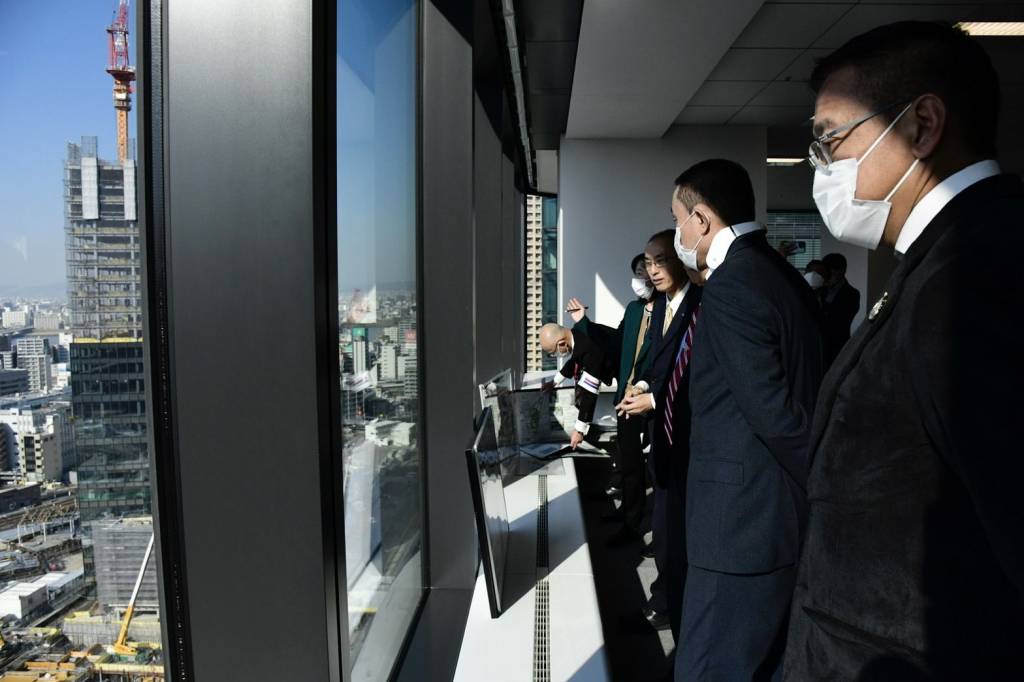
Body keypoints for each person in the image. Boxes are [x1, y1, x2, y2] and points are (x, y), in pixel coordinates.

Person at [785, 21, 1024, 680]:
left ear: (922, 125)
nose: (821, 167)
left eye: (830, 140)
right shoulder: (936, 262)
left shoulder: (980, 271)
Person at [670, 159, 822, 681]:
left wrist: (823, 482)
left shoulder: (732, 283)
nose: (678, 234)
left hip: (738, 527)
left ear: (702, 220)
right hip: (777, 519)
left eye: (677, 220)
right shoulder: (781, 273)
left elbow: (772, 411)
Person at [615, 230, 702, 636]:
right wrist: (642, 386)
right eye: (648, 263)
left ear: (680, 258)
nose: (652, 270)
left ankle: (673, 606)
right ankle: (667, 599)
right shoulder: (661, 305)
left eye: (660, 260)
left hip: (690, 436)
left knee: (679, 530)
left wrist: (653, 399)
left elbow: (700, 376)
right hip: (664, 438)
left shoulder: (702, 303)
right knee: (666, 528)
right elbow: (658, 365)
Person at [568, 254, 654, 542]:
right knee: (630, 464)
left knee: (658, 471)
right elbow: (614, 342)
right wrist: (584, 323)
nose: (641, 277)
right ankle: (630, 519)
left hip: (653, 400)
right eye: (638, 271)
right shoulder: (633, 310)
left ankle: (656, 531)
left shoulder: (668, 310)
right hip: (626, 399)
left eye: (645, 270)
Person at [538, 323, 614, 449]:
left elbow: (589, 392)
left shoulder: (590, 348)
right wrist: (554, 382)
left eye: (553, 352)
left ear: (562, 343)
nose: (554, 356)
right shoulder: (578, 334)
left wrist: (579, 430)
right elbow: (575, 360)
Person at [819, 252, 860, 366]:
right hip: (817, 347)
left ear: (842, 271)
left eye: (832, 272)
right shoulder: (820, 289)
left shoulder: (852, 294)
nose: (828, 275)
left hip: (837, 348)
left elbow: (840, 320)